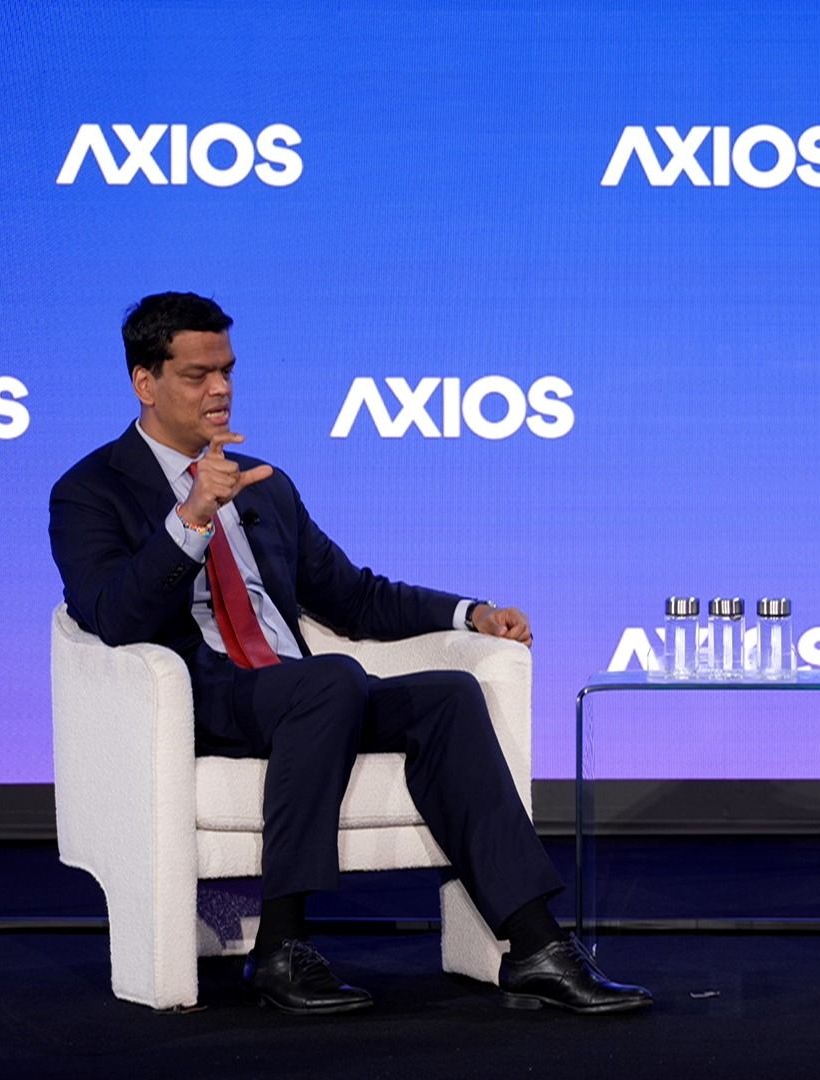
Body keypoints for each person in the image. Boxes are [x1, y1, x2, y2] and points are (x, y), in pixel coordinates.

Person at [49, 291, 652, 1016]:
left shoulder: (265, 486)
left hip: (302, 694)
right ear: (145, 382)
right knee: (329, 680)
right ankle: (280, 947)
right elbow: (114, 618)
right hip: (200, 697)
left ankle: (535, 948)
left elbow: (354, 596)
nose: (221, 389)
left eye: (229, 371)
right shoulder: (89, 492)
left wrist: (470, 613)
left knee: (448, 696)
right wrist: (189, 519)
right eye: (197, 375)